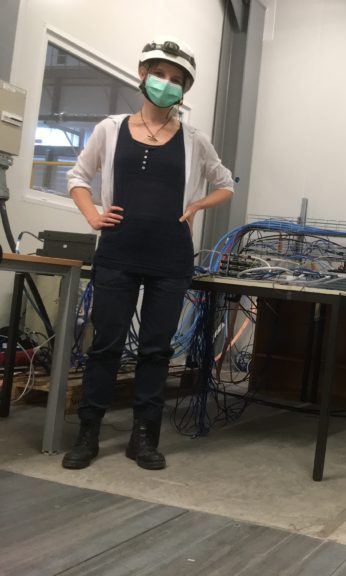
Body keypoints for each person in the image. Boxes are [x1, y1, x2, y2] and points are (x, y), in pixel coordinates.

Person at [62, 37, 235, 470]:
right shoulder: (110, 129)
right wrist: (93, 215)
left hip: (170, 258)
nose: (166, 84)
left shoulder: (195, 140)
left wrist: (196, 205)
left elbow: (226, 183)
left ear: (184, 90)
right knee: (105, 345)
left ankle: (144, 438)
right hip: (117, 252)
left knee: (156, 350)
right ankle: (89, 433)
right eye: (159, 74)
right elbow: (78, 175)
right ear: (142, 74)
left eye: (176, 80)